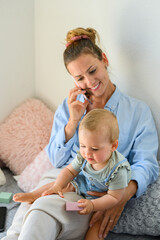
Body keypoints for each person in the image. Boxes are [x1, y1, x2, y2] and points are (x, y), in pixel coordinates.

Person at [3, 27, 159, 240]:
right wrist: (73, 121)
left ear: (104, 59)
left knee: (40, 211)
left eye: (93, 71)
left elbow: (147, 164)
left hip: (92, 191)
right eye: (80, 78)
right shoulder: (70, 108)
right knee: (18, 229)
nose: (89, 83)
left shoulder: (137, 112)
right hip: (61, 178)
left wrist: (121, 195)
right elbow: (56, 160)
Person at [13, 109, 131, 240]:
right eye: (83, 146)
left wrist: (93, 205)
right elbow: (70, 171)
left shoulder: (118, 169)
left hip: (98, 201)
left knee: (97, 226)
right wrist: (58, 185)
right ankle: (33, 195)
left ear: (113, 145)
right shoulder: (84, 155)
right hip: (80, 184)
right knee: (58, 185)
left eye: (95, 149)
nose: (87, 153)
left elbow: (114, 198)